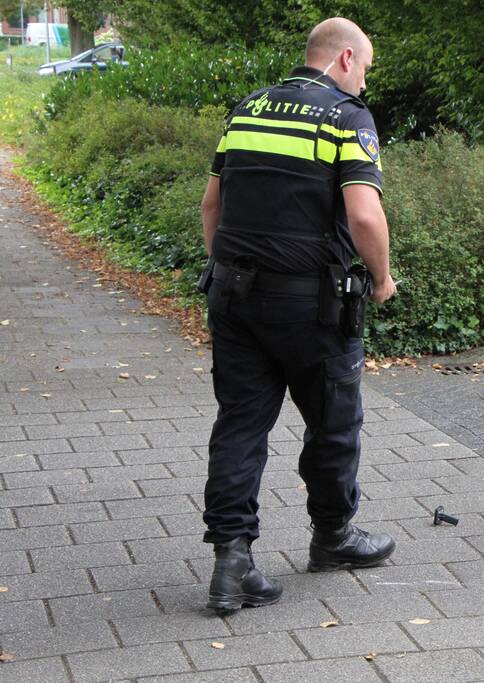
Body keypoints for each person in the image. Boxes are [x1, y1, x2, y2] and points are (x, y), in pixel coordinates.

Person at [198, 17, 397, 615]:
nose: (363, 83)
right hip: (311, 304)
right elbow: (363, 217)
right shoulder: (346, 117)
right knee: (334, 423)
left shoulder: (247, 109)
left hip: (234, 297)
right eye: (362, 68)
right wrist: (383, 278)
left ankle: (232, 564)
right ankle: (333, 537)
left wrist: (230, 273)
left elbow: (213, 205)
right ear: (342, 59)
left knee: (240, 426)